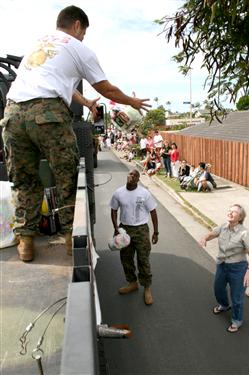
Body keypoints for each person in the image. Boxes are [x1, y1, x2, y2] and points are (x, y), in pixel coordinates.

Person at [0, 5, 151, 262]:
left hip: (12, 115)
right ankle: (71, 239)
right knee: (67, 179)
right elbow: (107, 89)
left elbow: (60, 85)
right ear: (78, 26)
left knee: (25, 182)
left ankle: (26, 241)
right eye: (84, 32)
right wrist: (132, 102)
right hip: (47, 115)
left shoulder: (39, 45)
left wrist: (87, 103)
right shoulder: (79, 48)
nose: (83, 37)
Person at [110, 169, 159, 305]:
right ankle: (132, 283)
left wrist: (156, 232)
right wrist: (116, 228)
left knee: (143, 259)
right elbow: (113, 210)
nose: (132, 176)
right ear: (127, 176)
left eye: (135, 175)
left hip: (141, 229)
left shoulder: (144, 193)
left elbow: (153, 212)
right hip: (124, 229)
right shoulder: (118, 193)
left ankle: (147, 288)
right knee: (126, 258)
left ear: (138, 179)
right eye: (130, 174)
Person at [199, 204, 249, 333]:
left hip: (238, 268)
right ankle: (224, 305)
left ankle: (237, 321)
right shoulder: (223, 227)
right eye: (229, 210)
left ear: (240, 217)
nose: (230, 213)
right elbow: (212, 233)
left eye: (234, 212)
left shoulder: (244, 233)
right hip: (222, 264)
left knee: (237, 297)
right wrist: (205, 238)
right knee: (218, 288)